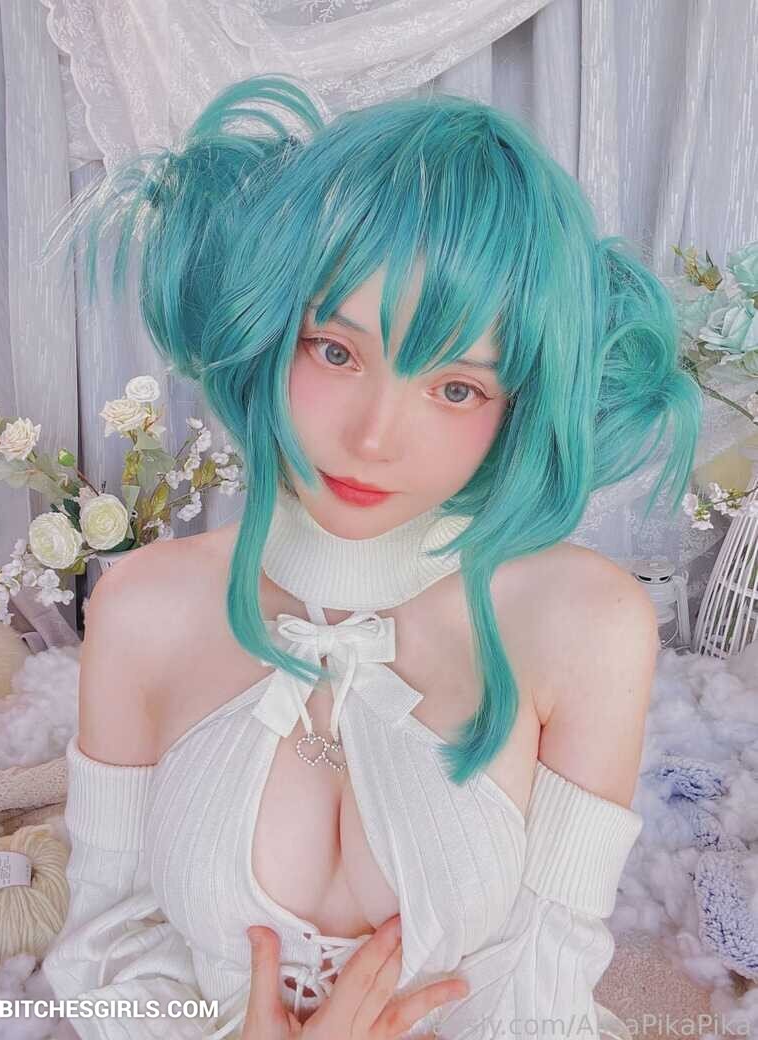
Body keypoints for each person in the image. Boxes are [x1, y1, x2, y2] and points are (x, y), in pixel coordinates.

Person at [42, 74, 702, 1039]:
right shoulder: (144, 607)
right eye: (336, 351)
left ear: (518, 404)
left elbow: (543, 993)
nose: (374, 440)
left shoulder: (584, 624)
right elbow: (92, 969)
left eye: (457, 388)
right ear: (271, 334)